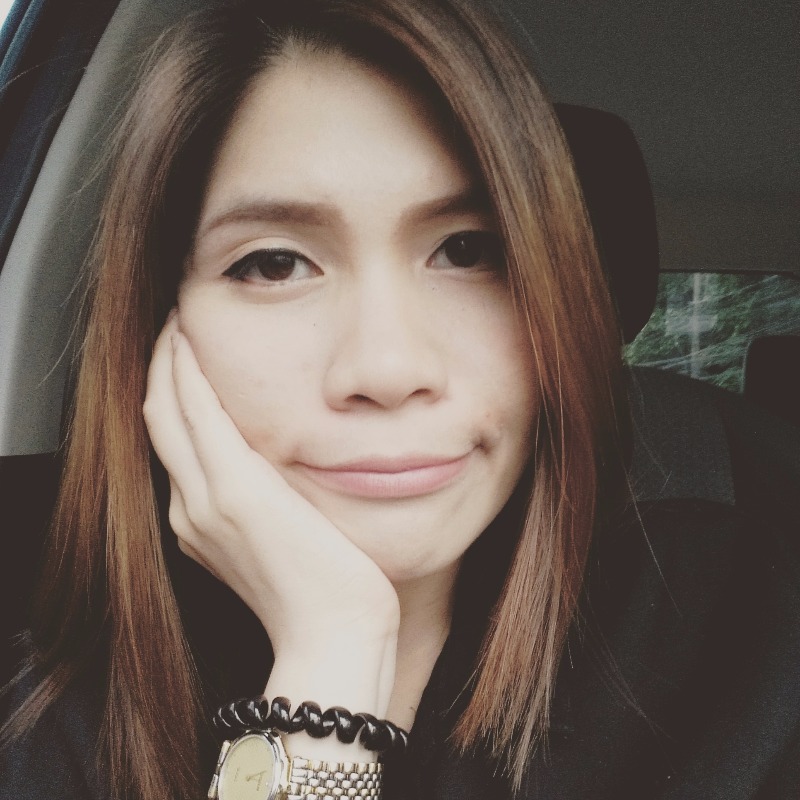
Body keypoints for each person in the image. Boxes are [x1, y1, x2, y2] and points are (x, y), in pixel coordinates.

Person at [2, 1, 799, 799]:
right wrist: (329, 657)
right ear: (158, 325)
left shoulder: (743, 641)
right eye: (275, 263)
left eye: (468, 250)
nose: (387, 368)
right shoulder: (46, 720)